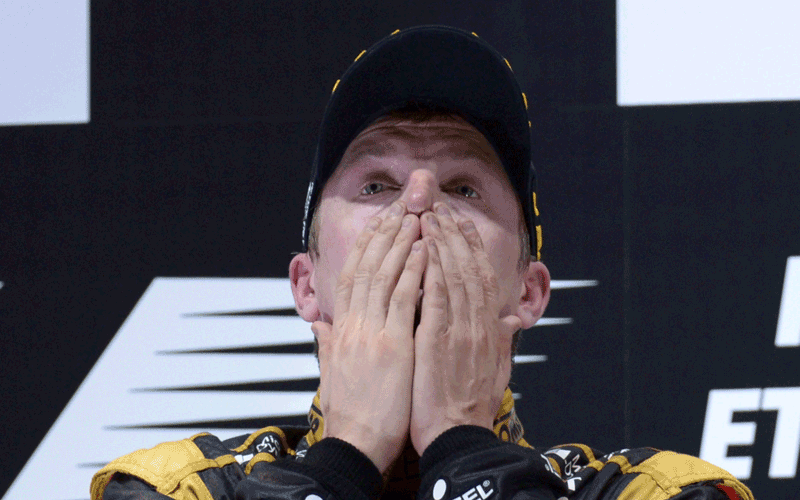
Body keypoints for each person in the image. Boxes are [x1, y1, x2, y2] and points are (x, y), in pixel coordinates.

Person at [91, 26, 754, 500]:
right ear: (307, 285)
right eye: (376, 183)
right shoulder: (178, 487)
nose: (418, 202)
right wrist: (343, 457)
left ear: (529, 292)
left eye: (463, 187)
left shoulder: (655, 491)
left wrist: (465, 448)